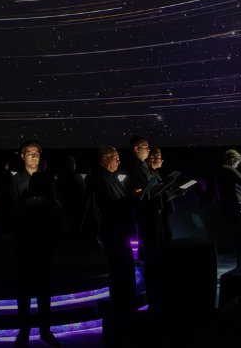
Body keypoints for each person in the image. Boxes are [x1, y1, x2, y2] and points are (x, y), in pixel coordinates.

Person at [7, 141, 62, 348]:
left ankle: (45, 330)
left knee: (43, 287)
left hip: (44, 240)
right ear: (22, 156)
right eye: (29, 153)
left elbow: (57, 207)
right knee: (25, 288)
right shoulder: (16, 180)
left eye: (36, 153)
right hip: (24, 240)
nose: (33, 157)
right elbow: (12, 211)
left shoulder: (48, 180)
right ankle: (25, 329)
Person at [87, 146, 136, 345]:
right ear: (103, 159)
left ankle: (124, 306)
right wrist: (132, 199)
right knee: (119, 269)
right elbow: (110, 206)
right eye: (115, 158)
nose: (118, 161)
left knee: (123, 268)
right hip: (114, 232)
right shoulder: (101, 179)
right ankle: (122, 308)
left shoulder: (109, 177)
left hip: (118, 231)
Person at [127, 136, 166, 296]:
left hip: (153, 212)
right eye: (146, 146)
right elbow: (136, 192)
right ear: (136, 148)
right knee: (151, 252)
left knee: (156, 251)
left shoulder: (143, 166)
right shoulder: (133, 167)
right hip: (146, 214)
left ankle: (156, 284)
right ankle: (152, 289)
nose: (148, 150)